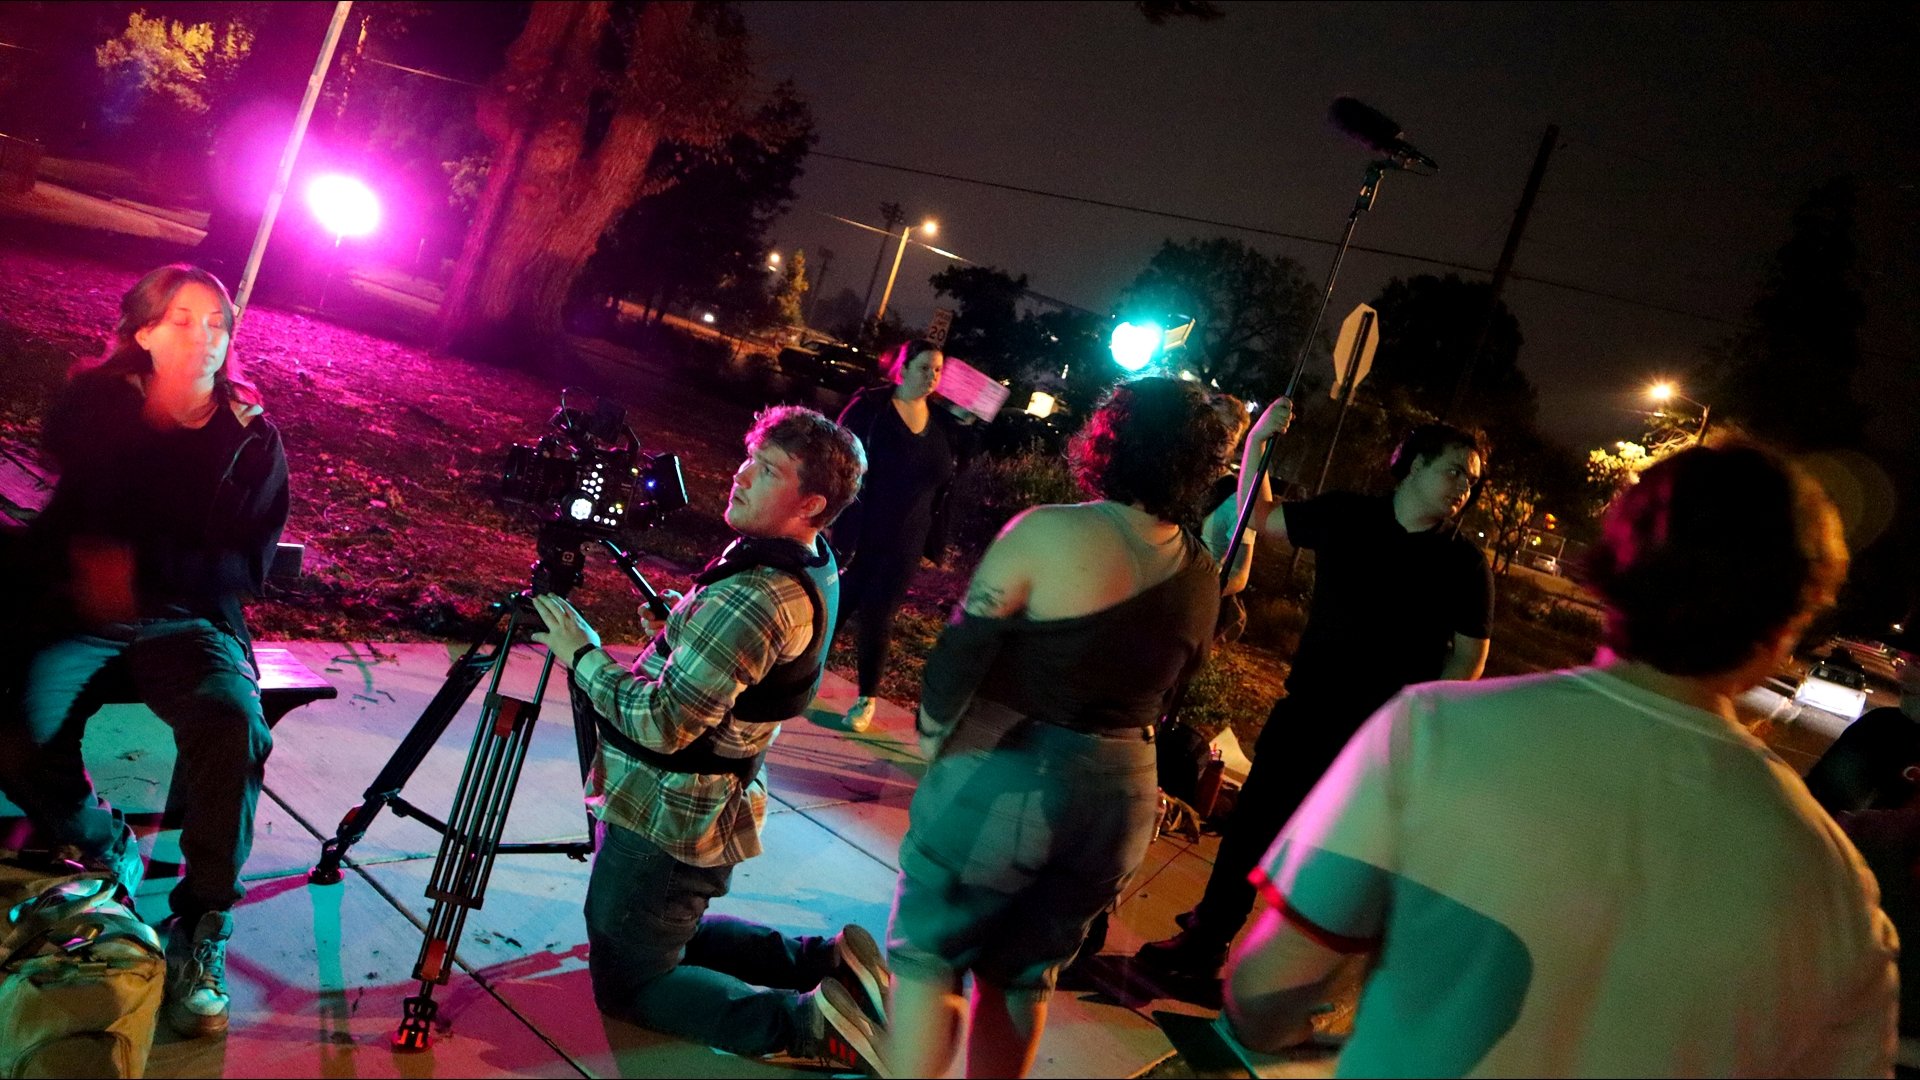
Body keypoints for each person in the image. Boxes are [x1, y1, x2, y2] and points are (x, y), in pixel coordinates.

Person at [1224, 445, 1896, 1076]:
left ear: (1616, 566)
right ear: (1787, 627)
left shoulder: (1433, 732)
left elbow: (1266, 993)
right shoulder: (1836, 890)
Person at [527, 406, 892, 1073]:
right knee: (669, 932)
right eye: (751, 457)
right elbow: (754, 663)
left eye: (770, 470)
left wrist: (582, 654)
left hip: (669, 813)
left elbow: (664, 724)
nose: (742, 476)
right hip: (703, 802)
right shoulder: (807, 560)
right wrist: (684, 625)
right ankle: (826, 962)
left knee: (634, 982)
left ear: (810, 503)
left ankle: (809, 1026)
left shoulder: (754, 594)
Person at [886, 377, 1229, 1078]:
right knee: (1023, 976)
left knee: (930, 957)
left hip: (1014, 776)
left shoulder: (1051, 531)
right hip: (1122, 796)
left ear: (1109, 438)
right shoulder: (1201, 571)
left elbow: (963, 647)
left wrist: (930, 734)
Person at [0, 264, 290, 1039]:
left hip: (184, 621)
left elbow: (251, 562)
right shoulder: (102, 406)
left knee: (232, 724)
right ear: (145, 329)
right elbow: (67, 463)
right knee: (19, 737)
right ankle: (101, 842)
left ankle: (202, 926)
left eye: (217, 323)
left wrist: (151, 573)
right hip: (83, 617)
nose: (203, 336)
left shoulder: (251, 436)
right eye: (183, 318)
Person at [1139, 402, 1494, 982]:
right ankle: (1206, 942)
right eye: (1455, 471)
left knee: (1332, 856)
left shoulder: (1463, 563)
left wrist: (1419, 720)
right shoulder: (1349, 516)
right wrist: (1258, 443)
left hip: (1381, 737)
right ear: (1414, 465)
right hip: (1308, 708)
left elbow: (1469, 656)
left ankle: (1288, 977)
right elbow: (1259, 516)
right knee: (1252, 827)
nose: (1464, 488)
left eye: (1471, 481)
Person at [831, 339, 966, 732]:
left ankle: (866, 699)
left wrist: (935, 541)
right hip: (859, 531)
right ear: (902, 369)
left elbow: (946, 484)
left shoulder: (943, 423)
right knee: (836, 607)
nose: (932, 377)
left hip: (907, 540)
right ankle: (797, 674)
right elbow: (836, 455)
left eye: (938, 370)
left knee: (879, 615)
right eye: (924, 368)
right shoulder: (871, 408)